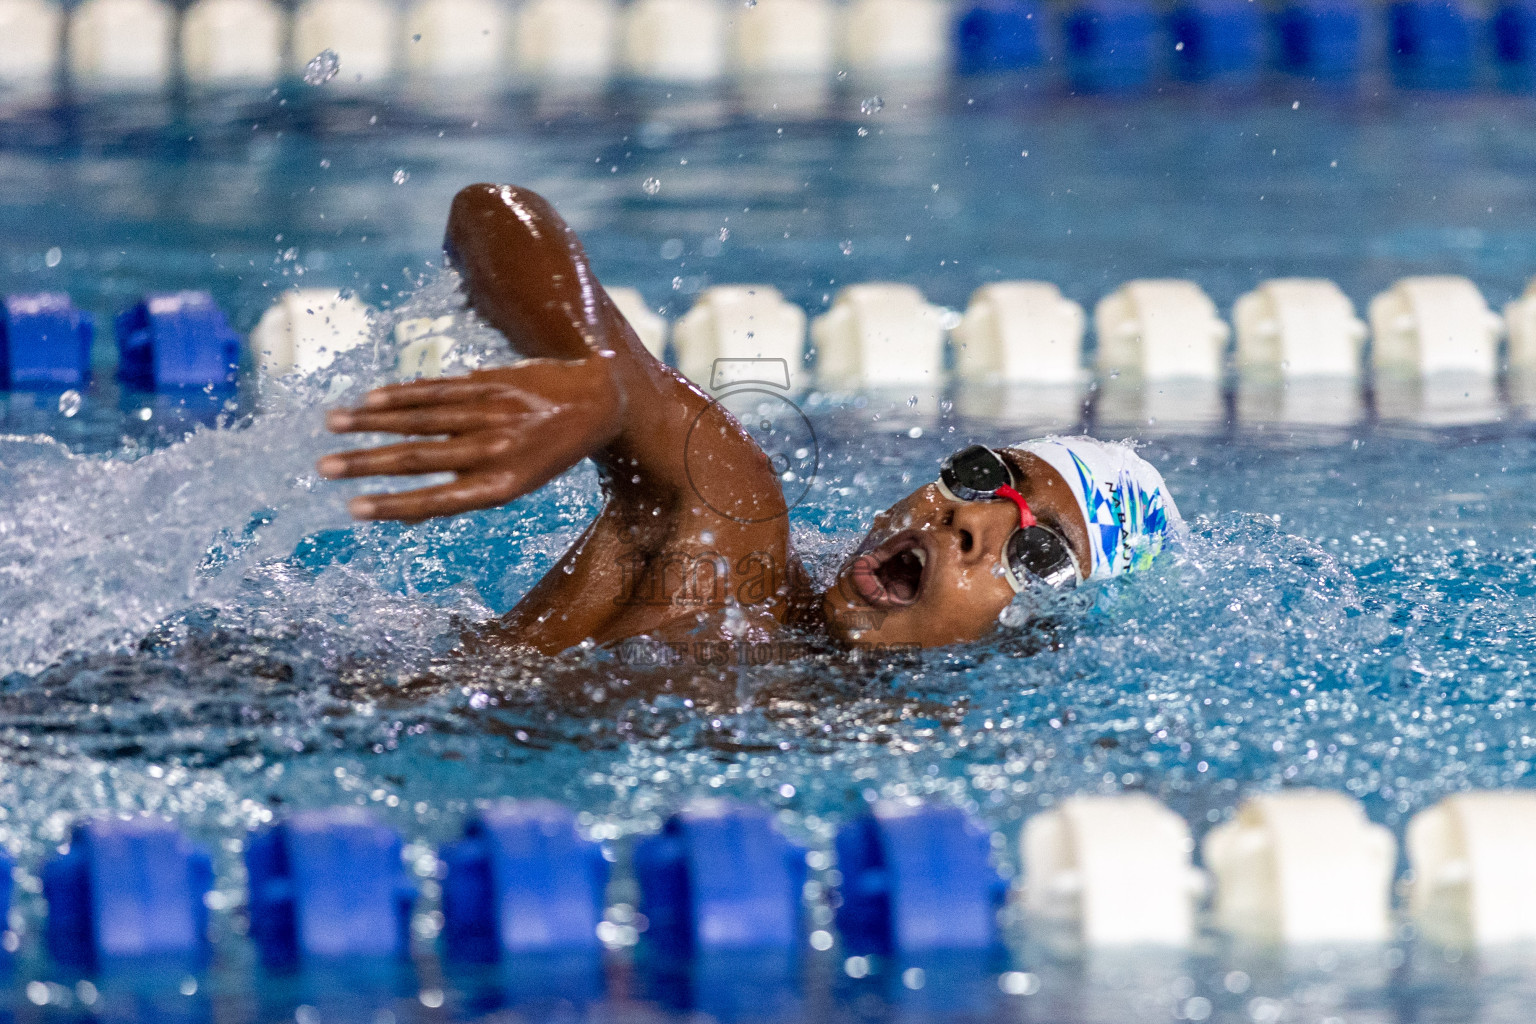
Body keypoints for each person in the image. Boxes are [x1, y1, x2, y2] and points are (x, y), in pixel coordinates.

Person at [317, 183, 1181, 661]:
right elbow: (496, 213)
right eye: (986, 475)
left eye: (1039, 553)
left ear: (1044, 640)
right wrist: (597, 380)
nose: (969, 520)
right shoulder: (733, 540)